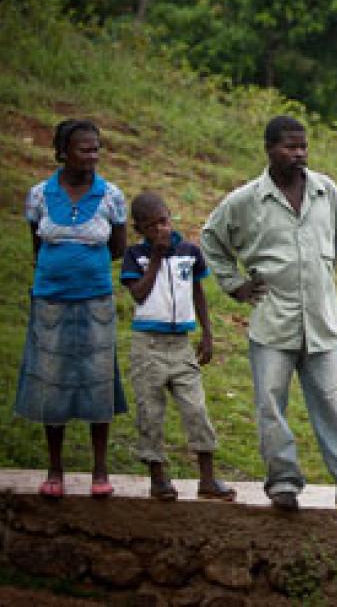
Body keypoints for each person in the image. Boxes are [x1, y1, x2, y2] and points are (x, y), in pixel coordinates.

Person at [200, 115, 337, 511]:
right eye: (290, 146)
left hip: (321, 320)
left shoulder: (326, 191)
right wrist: (234, 283)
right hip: (272, 320)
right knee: (271, 403)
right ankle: (283, 481)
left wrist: (316, 278)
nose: (299, 154)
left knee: (335, 401)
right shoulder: (245, 200)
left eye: (303, 146)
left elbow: (336, 239)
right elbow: (211, 239)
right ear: (269, 149)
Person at [16, 119, 128, 500]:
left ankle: (99, 468)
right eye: (84, 149)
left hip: (95, 300)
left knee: (98, 379)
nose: (92, 156)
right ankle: (55, 468)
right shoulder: (40, 195)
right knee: (52, 381)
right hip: (50, 300)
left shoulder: (111, 196)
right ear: (63, 152)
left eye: (97, 149)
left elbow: (117, 249)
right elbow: (37, 245)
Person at [121, 192, 235, 502]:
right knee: (151, 410)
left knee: (196, 408)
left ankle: (208, 478)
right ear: (140, 229)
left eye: (165, 221)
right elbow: (139, 295)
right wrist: (156, 258)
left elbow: (198, 293)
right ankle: (158, 478)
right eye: (152, 225)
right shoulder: (136, 256)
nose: (161, 229)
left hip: (181, 344)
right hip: (149, 344)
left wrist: (207, 334)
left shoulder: (188, 251)